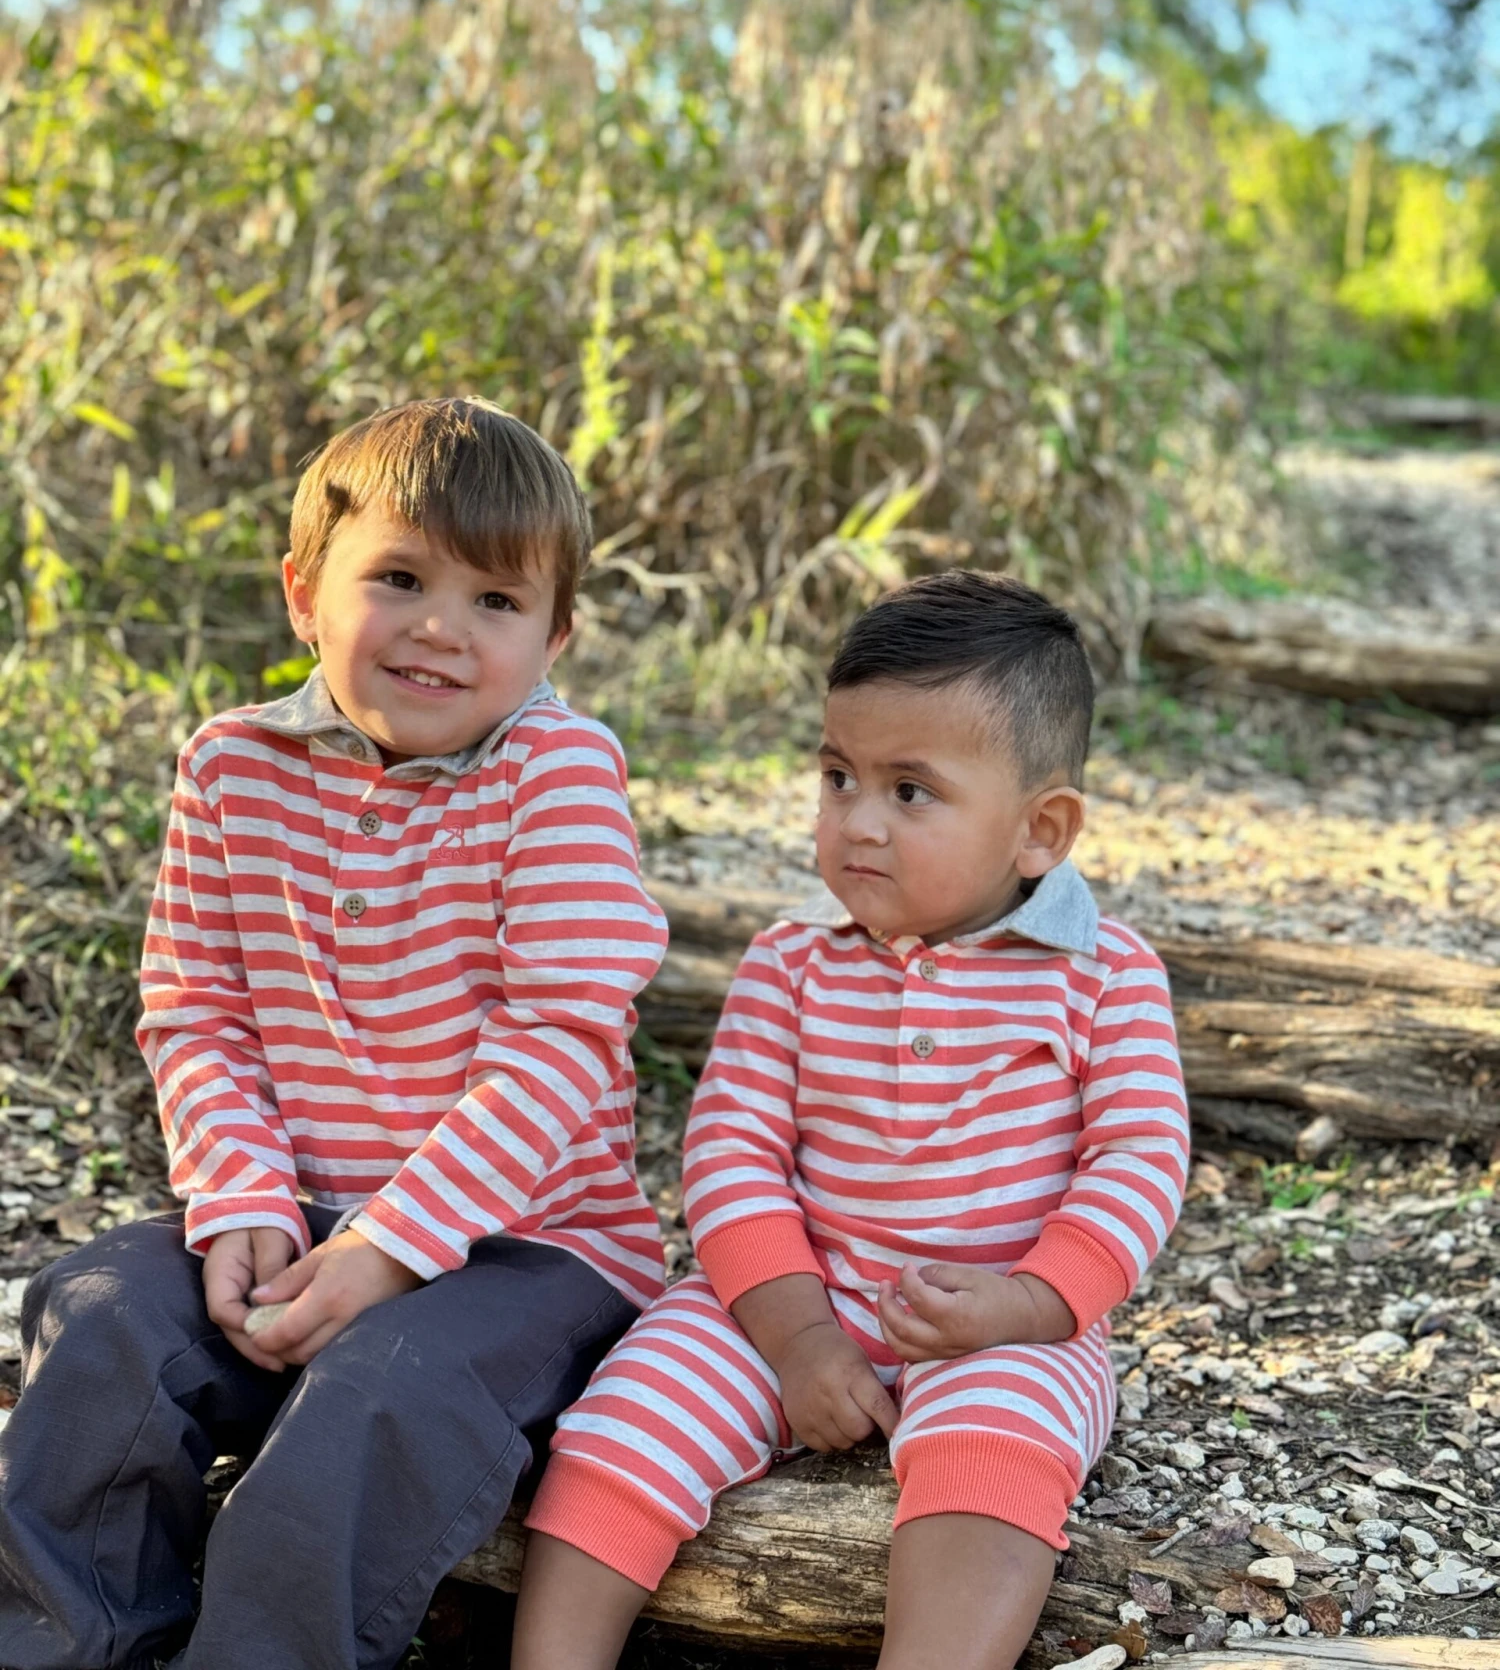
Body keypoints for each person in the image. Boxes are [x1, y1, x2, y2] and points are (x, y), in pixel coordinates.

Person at [0, 398, 668, 1670]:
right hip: (294, 1216)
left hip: (530, 1249)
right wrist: (239, 1194)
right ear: (306, 592)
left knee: (377, 1394)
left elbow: (559, 1041)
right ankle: (53, 1647)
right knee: (96, 1316)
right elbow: (197, 1007)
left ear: (555, 636)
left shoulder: (557, 774)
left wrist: (387, 1249)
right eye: (401, 578)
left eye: (496, 601)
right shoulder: (234, 765)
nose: (441, 628)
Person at [510, 571, 1190, 1670]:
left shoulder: (1103, 977)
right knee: (623, 1420)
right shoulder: (792, 963)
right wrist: (797, 1336)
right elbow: (732, 1153)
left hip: (1003, 1313)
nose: (856, 822)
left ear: (1041, 829)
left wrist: (1033, 1295)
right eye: (838, 776)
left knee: (995, 1454)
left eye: (910, 790)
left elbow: (1139, 1157)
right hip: (791, 1290)